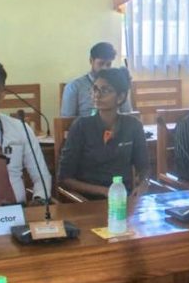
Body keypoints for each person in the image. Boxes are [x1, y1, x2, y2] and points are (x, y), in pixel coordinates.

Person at [59, 67, 149, 199]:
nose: (97, 95)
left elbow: (144, 167)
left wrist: (143, 184)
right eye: (95, 89)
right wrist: (104, 191)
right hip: (87, 201)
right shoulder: (81, 126)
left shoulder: (133, 125)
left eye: (105, 90)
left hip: (124, 198)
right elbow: (64, 178)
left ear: (120, 97)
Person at [0, 60, 51, 209]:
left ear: (0, 95)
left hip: (20, 212)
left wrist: (40, 199)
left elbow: (41, 176)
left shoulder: (20, 128)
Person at [61, 42, 132, 116]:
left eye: (108, 64)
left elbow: (127, 114)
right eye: (101, 63)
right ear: (91, 61)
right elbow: (66, 120)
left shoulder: (118, 84)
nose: (105, 68)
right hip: (86, 123)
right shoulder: (74, 87)